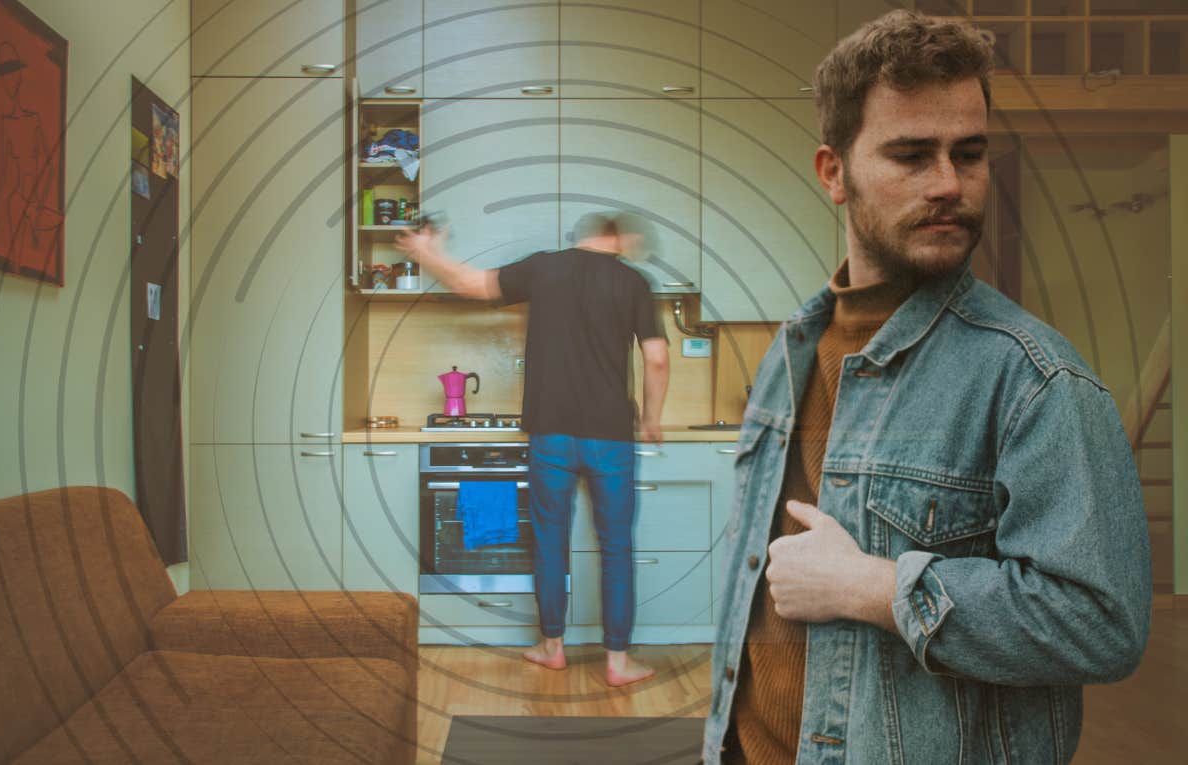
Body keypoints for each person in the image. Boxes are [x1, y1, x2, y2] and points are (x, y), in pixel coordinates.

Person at [702, 10, 1151, 764]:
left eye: (968, 154)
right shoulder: (792, 350)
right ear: (833, 173)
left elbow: (1103, 624)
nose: (949, 184)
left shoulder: (1037, 382)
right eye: (912, 155)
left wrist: (876, 588)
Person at [397, 212, 670, 687]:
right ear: (615, 240)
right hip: (611, 437)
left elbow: (470, 284)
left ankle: (552, 648)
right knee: (617, 547)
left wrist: (427, 252)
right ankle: (618, 662)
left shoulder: (545, 267)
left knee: (550, 541)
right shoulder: (634, 282)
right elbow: (658, 358)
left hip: (550, 433)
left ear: (580, 237)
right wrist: (650, 418)